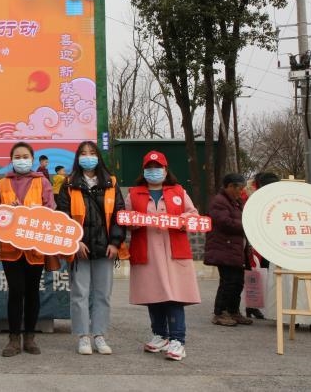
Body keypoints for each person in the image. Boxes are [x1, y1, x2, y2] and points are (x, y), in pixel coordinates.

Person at [125, 151, 200, 362]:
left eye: (157, 168)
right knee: (154, 295)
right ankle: (160, 334)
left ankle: (178, 340)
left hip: (174, 251)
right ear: (143, 171)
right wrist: (134, 221)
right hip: (147, 250)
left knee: (174, 296)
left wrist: (181, 220)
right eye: (149, 168)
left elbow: (193, 214)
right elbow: (125, 218)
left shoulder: (179, 191)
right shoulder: (133, 194)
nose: (153, 171)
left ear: (166, 170)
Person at [56, 140, 126, 355]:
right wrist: (74, 241)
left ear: (98, 157)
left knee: (103, 294)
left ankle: (99, 335)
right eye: (84, 153)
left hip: (106, 248)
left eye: (92, 153)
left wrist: (115, 243)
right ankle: (83, 336)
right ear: (78, 158)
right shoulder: (69, 183)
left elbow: (119, 214)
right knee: (80, 294)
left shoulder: (111, 182)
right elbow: (63, 215)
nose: (88, 157)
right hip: (80, 249)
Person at [0, 142, 56, 357]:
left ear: (32, 159)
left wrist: (28, 213)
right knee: (16, 292)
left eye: (25, 156)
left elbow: (51, 211)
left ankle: (30, 337)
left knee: (32, 292)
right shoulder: (2, 183)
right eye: (17, 157)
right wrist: (6, 213)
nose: (21, 160)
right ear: (11, 160)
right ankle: (13, 339)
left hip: (35, 247)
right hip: (11, 248)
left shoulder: (42, 182)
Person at [204, 173, 253, 327]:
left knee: (237, 282)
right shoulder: (219, 201)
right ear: (230, 186)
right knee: (228, 282)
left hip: (235, 249)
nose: (241, 191)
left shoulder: (236, 202)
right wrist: (247, 225)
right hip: (224, 248)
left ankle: (233, 311)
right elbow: (225, 222)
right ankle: (220, 313)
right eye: (239, 188)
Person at [245, 172, 279, 320]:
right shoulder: (251, 197)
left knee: (265, 271)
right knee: (255, 272)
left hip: (270, 240)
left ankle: (257, 305)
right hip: (255, 241)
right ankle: (252, 305)